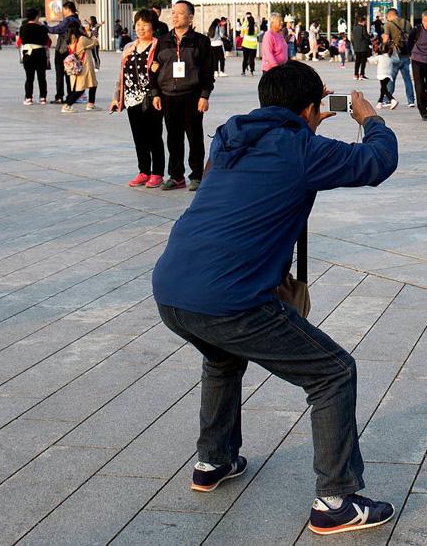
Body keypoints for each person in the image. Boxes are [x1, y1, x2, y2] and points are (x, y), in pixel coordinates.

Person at [152, 63, 398, 536]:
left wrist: (305, 120)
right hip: (230, 298)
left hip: (171, 289)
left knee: (222, 359)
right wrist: (370, 119)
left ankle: (214, 460)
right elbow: (377, 162)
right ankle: (336, 499)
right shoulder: (301, 148)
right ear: (309, 107)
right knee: (332, 371)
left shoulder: (228, 135)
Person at [150, 0, 214, 191]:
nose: (174, 16)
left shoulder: (201, 41)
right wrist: (155, 93)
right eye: (173, 13)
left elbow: (207, 71)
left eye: (180, 13)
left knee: (194, 137)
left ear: (190, 17)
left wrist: (205, 95)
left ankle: (196, 175)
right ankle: (176, 176)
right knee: (173, 137)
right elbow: (154, 70)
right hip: (168, 95)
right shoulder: (162, 41)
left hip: (192, 95)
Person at [111, 9, 166, 186]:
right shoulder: (129, 47)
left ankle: (157, 173)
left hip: (152, 98)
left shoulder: (159, 46)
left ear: (153, 27)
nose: (140, 28)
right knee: (139, 137)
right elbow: (121, 75)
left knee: (154, 136)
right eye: (138, 24)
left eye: (145, 25)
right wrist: (116, 97)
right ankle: (143, 171)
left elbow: (166, 70)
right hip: (131, 98)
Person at [46, 0, 82, 103]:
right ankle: (71, 96)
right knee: (70, 75)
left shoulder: (68, 20)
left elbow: (56, 29)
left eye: (64, 10)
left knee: (60, 75)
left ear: (67, 9)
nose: (63, 12)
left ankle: (59, 96)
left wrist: (45, 27)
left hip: (62, 51)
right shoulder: (77, 20)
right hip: (72, 51)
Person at [382, 8, 415, 107]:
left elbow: (385, 40)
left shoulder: (388, 24)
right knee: (407, 79)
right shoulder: (407, 23)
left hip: (394, 55)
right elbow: (412, 37)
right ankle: (411, 100)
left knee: (391, 78)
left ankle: (388, 99)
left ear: (390, 15)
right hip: (406, 54)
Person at [18, 8, 50, 104]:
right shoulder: (42, 28)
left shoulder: (23, 27)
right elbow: (46, 41)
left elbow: (22, 40)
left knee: (29, 77)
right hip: (40, 52)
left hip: (28, 53)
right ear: (36, 16)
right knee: (42, 76)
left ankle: (28, 98)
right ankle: (43, 97)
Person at [62, 28, 99, 112]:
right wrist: (91, 35)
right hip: (85, 66)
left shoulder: (70, 40)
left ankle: (91, 104)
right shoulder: (81, 39)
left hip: (77, 66)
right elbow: (94, 42)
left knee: (93, 84)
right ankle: (67, 105)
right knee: (80, 89)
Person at [350, 16, 371, 80]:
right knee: (363, 62)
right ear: (362, 21)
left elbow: (352, 39)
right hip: (363, 47)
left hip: (356, 48)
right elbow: (366, 36)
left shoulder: (354, 28)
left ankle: (356, 75)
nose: (365, 23)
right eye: (365, 22)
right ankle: (362, 74)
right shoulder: (362, 28)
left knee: (357, 62)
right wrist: (370, 37)